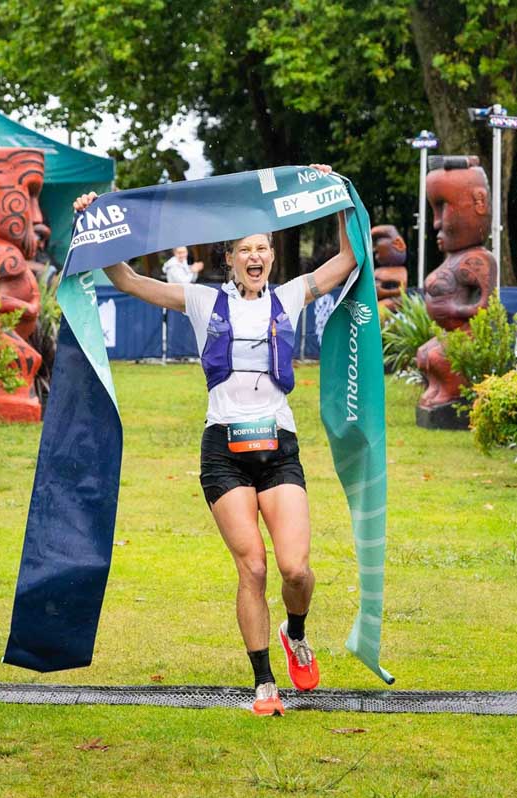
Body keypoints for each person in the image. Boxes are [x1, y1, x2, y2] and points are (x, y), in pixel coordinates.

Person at [73, 164, 357, 717]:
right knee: (252, 566)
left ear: (272, 257)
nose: (255, 258)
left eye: (264, 249)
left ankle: (294, 631)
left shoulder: (292, 295)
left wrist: (337, 194)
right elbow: (129, 281)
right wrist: (99, 223)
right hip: (223, 451)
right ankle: (263, 682)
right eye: (245, 250)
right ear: (229, 258)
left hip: (279, 448)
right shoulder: (202, 300)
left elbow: (347, 260)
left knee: (296, 569)